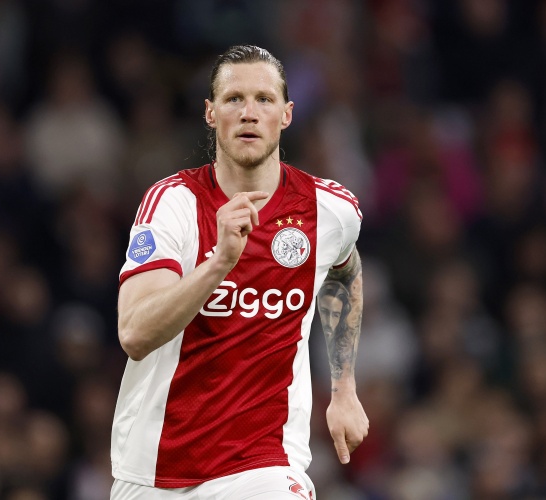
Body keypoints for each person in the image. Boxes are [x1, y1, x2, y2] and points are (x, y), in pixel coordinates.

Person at [111, 45, 368, 499]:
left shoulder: (330, 210)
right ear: (210, 113)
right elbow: (134, 333)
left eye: (264, 99)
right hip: (155, 467)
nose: (249, 113)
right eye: (234, 99)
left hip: (264, 464)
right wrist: (218, 264)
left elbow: (345, 270)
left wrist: (344, 388)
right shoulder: (172, 204)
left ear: (286, 114)